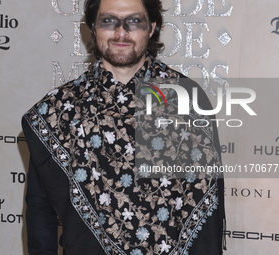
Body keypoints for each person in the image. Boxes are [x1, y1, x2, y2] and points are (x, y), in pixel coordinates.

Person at [22, 0, 225, 254]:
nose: (121, 32)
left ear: (151, 28)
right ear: (93, 27)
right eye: (108, 21)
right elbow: (41, 212)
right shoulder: (60, 111)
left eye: (133, 21)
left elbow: (206, 210)